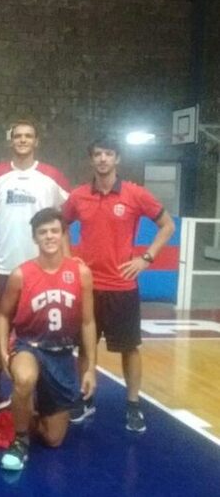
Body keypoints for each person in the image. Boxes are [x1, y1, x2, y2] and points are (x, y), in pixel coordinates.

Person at [63, 137, 175, 432]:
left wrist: (146, 258)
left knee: (129, 348)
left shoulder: (135, 194)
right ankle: (86, 398)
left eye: (108, 154)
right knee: (86, 347)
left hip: (122, 286)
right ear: (91, 159)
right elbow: (60, 224)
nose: (102, 159)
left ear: (118, 159)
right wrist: (68, 259)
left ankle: (133, 404)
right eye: (97, 154)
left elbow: (168, 225)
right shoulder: (78, 196)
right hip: (88, 287)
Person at [0, 208, 96, 471]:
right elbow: (3, 315)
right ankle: (19, 441)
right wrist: (4, 352)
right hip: (29, 345)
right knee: (25, 378)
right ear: (35, 238)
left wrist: (90, 369)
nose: (49, 237)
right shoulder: (21, 274)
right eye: (43, 232)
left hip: (62, 354)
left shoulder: (80, 273)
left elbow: (87, 322)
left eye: (54, 231)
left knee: (53, 439)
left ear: (64, 235)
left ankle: (25, 410)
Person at [0, 119, 71, 404]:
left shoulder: (52, 176)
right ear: (11, 141)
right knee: (0, 323)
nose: (22, 140)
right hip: (5, 266)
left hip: (43, 270)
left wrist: (66, 263)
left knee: (44, 330)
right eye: (17, 136)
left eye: (28, 136)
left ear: (36, 142)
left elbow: (64, 220)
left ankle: (48, 386)